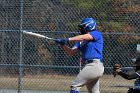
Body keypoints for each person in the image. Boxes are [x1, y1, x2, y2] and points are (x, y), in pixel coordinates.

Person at [55, 18, 104, 93]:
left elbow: (83, 37)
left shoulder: (96, 33)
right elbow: (71, 52)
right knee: (94, 91)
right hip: (90, 66)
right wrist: (62, 44)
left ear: (89, 26)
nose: (81, 29)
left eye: (82, 27)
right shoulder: (80, 41)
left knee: (75, 86)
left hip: (94, 65)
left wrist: (67, 39)